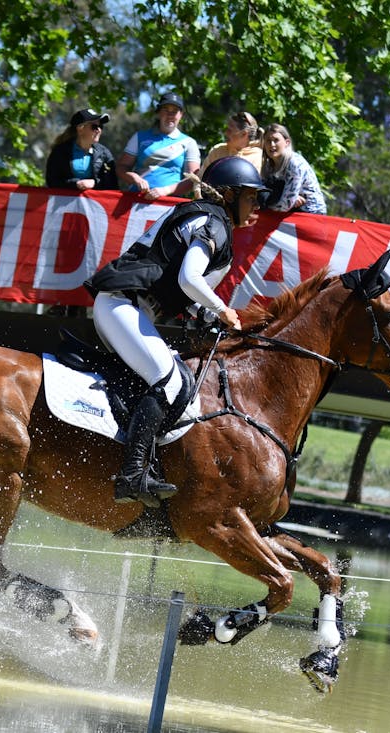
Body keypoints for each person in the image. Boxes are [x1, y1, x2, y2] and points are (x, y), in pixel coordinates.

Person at [84, 156, 267, 506]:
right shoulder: (214, 222)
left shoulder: (205, 216)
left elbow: (182, 290)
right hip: (123, 305)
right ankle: (132, 474)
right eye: (250, 196)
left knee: (168, 378)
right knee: (169, 381)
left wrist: (207, 315)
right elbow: (189, 278)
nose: (255, 204)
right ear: (228, 195)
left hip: (128, 307)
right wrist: (222, 309)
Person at [116, 91, 200, 200]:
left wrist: (165, 191)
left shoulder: (189, 143)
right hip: (136, 201)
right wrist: (134, 178)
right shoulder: (139, 137)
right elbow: (121, 167)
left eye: (174, 111)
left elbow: (193, 179)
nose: (170, 115)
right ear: (159, 113)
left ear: (181, 115)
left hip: (169, 204)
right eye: (166, 110)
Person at [259, 123, 327, 214]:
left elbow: (285, 205)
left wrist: (266, 205)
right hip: (290, 212)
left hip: (311, 212)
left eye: (276, 140)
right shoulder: (268, 166)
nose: (272, 144)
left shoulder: (294, 163)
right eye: (268, 141)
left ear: (287, 143)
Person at [44, 108, 118, 191]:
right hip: (65, 203)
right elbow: (52, 181)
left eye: (100, 126)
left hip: (94, 203)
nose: (99, 130)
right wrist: (76, 184)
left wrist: (95, 183)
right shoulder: (60, 152)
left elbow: (113, 184)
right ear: (80, 128)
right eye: (94, 127)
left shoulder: (104, 153)